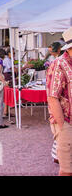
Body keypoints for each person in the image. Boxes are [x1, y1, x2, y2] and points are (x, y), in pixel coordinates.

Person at [46, 27, 72, 176]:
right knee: (67, 169)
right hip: (66, 121)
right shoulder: (59, 64)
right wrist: (62, 127)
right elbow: (52, 97)